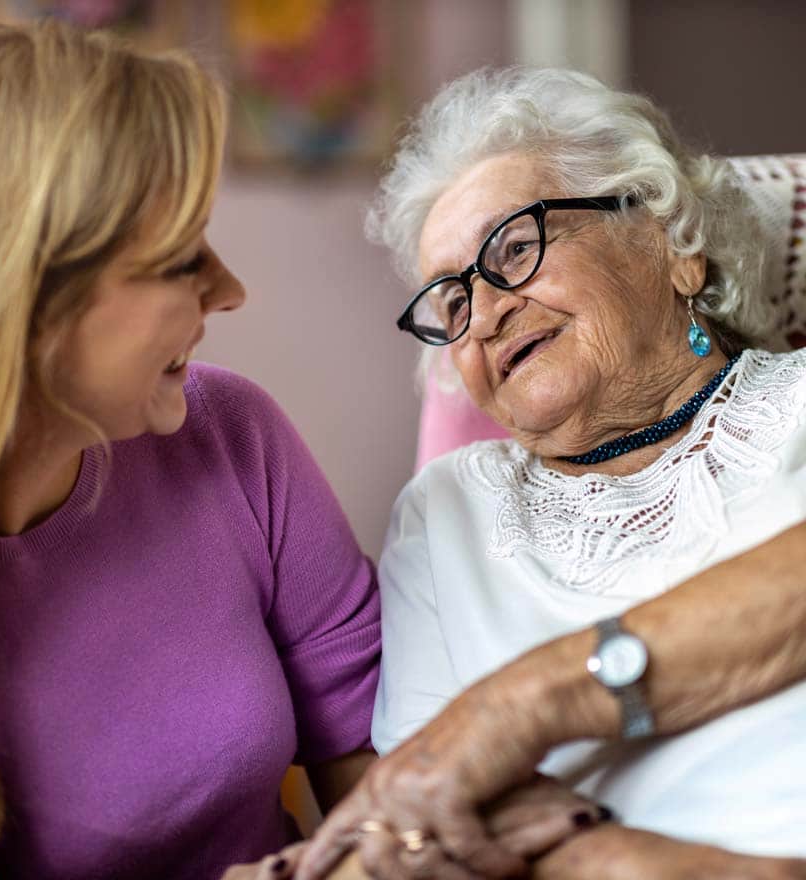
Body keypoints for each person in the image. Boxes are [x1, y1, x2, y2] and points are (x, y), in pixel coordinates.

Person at [298, 68, 806, 880]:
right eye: (452, 300)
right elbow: (428, 818)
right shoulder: (449, 511)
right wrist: (619, 861)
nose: (487, 312)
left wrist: (524, 705)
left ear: (673, 244)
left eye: (516, 248)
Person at [0, 20, 388, 879]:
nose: (230, 291)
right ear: (29, 298)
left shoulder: (232, 435)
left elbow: (386, 772)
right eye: (182, 260)